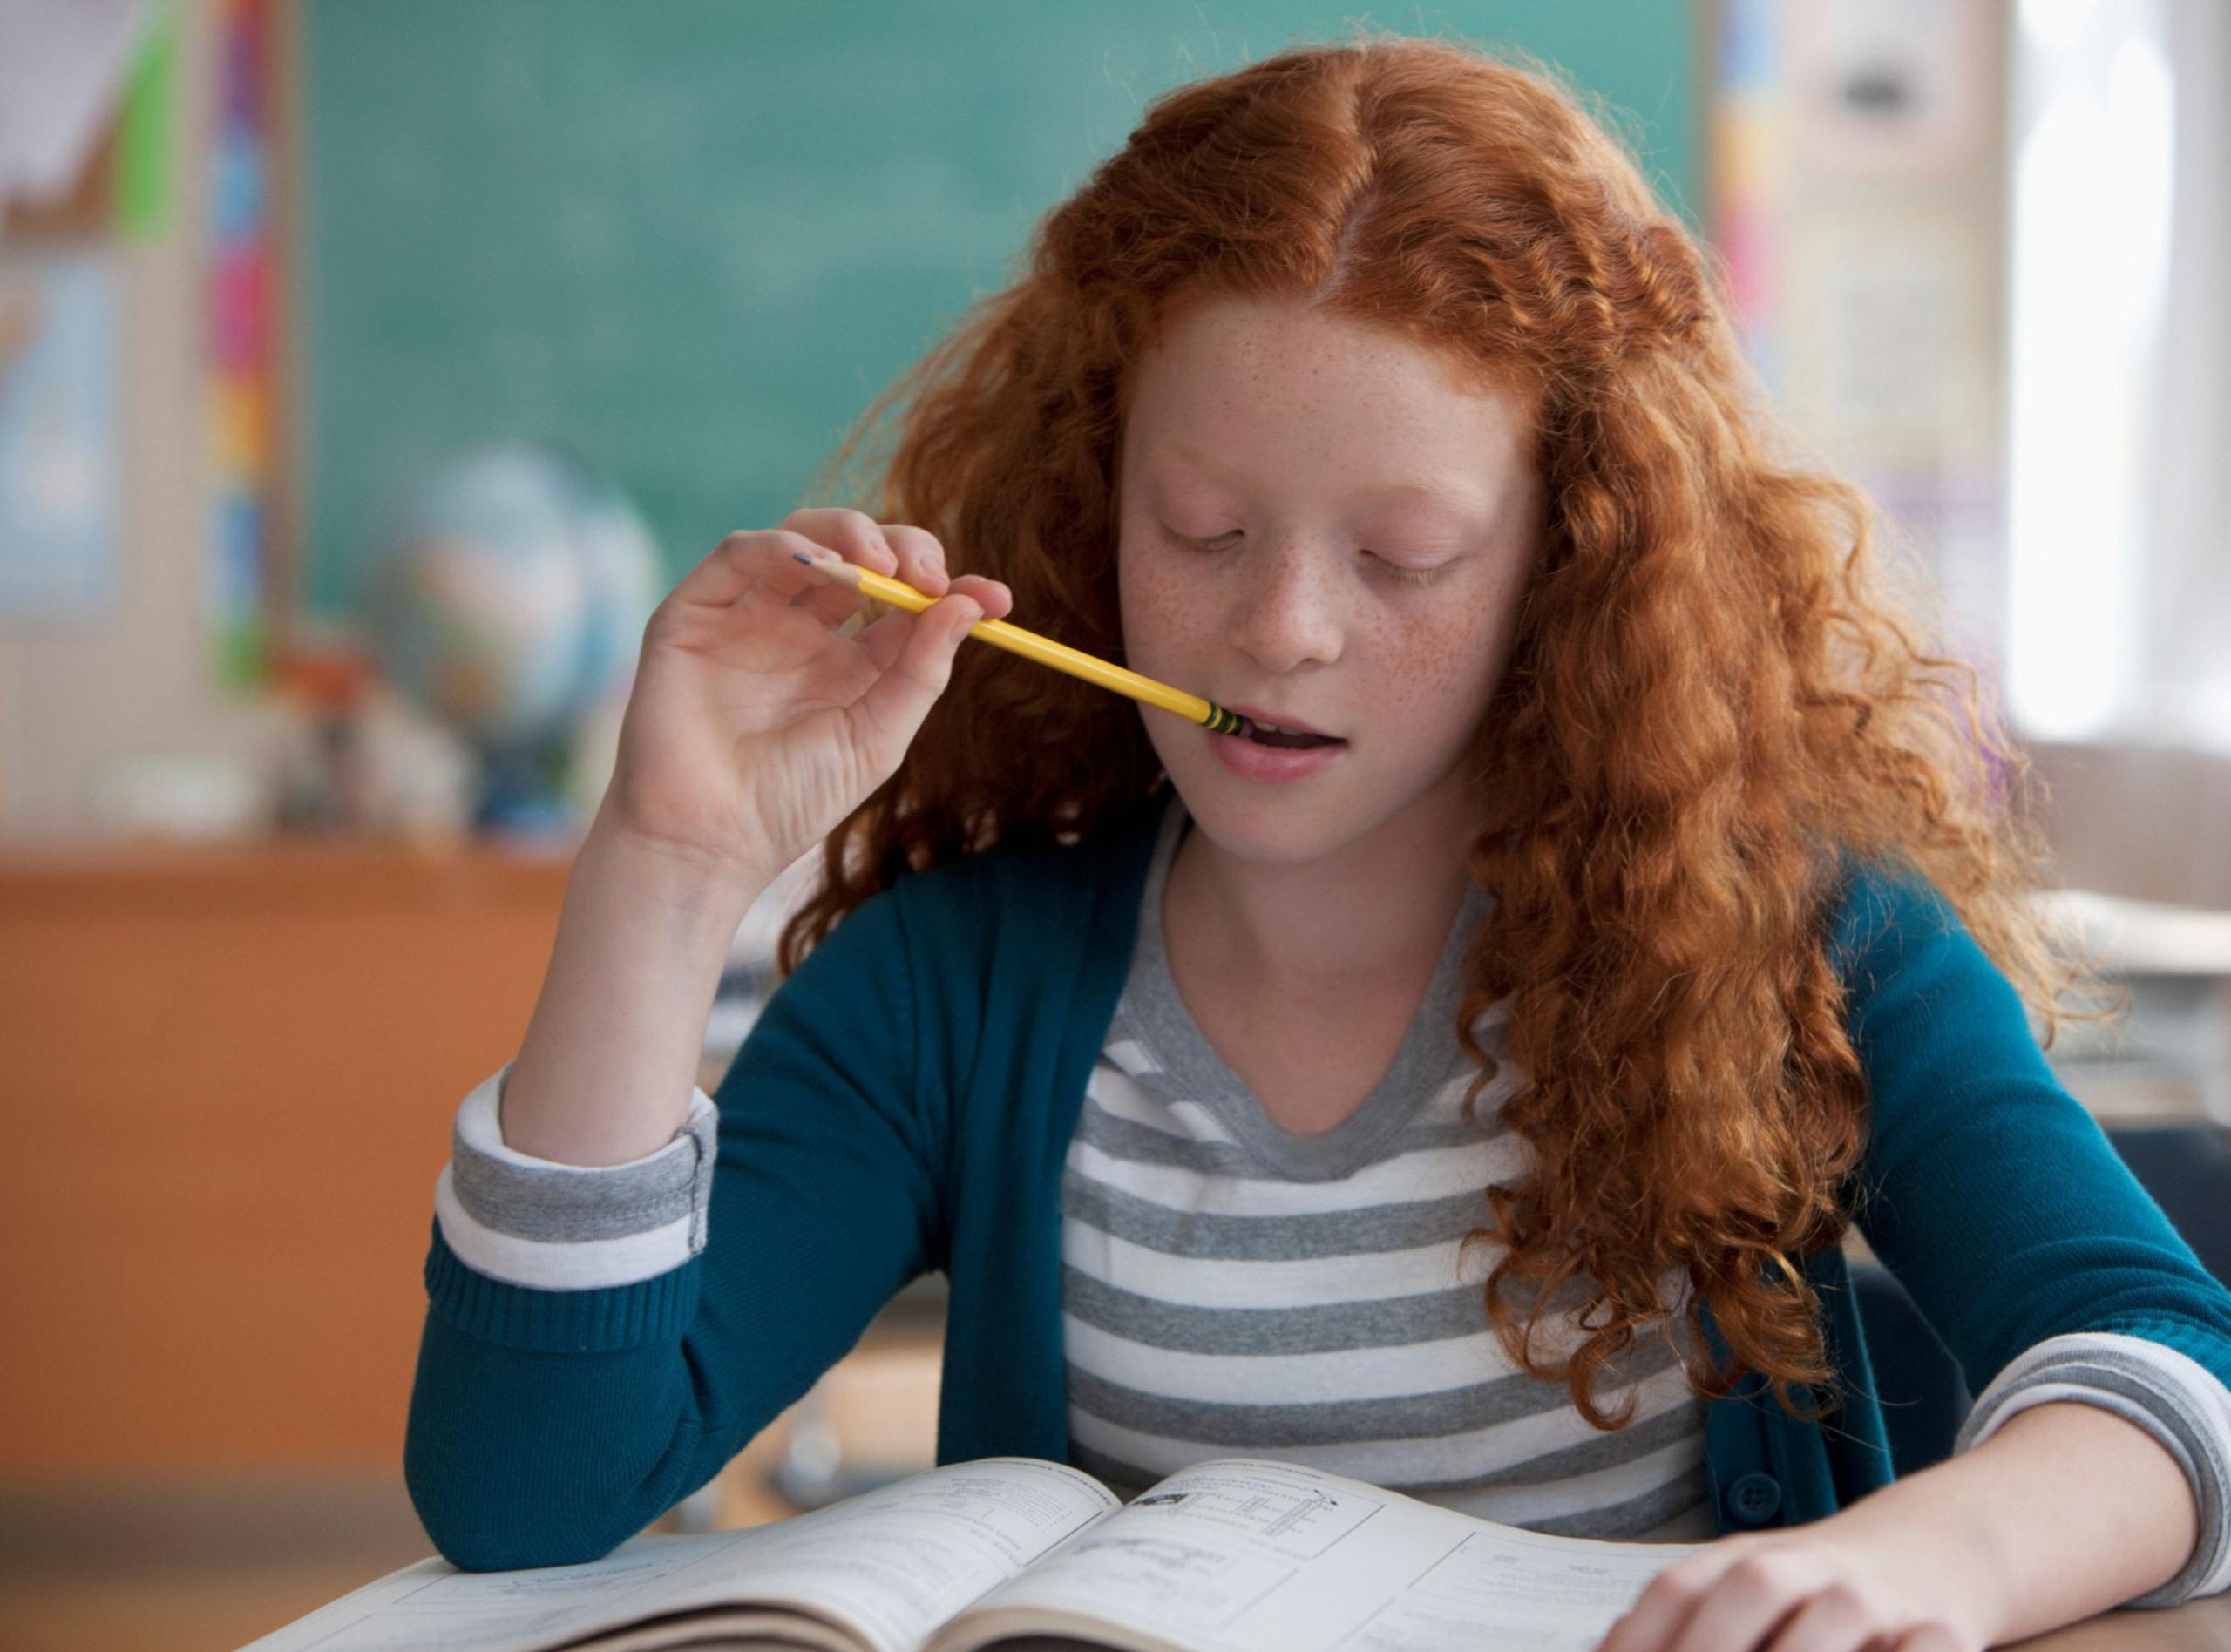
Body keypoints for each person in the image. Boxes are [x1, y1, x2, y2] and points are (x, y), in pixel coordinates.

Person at [404, 33, 2231, 1649]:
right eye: (1198, 530)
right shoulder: (951, 990)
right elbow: (524, 1497)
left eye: (1402, 558)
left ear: (1565, 566)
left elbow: (2175, 1370)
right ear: (1092, 507)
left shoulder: (1802, 950)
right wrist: (662, 862)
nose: (1278, 627)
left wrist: (1940, 1563)